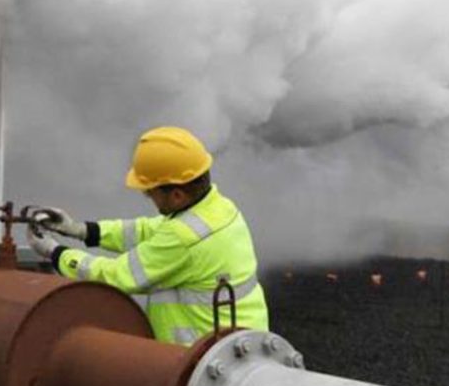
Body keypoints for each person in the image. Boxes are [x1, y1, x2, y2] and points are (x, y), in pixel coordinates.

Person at [27, 126, 269, 346]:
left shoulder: (183, 239)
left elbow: (117, 276)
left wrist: (55, 253)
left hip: (200, 359)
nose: (147, 197)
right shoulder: (218, 208)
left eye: (149, 192)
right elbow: (147, 231)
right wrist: (80, 230)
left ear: (176, 195)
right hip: (242, 344)